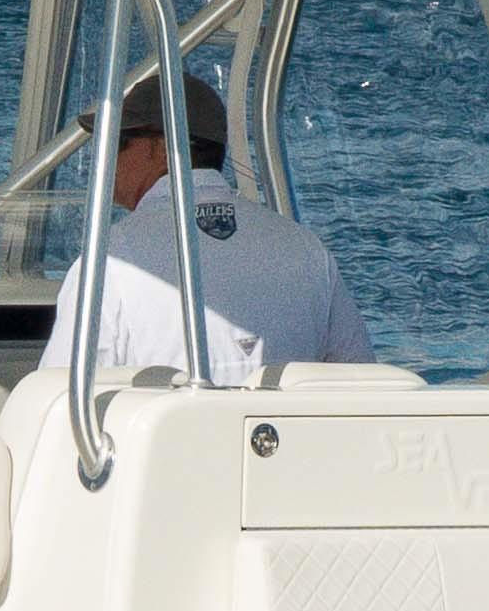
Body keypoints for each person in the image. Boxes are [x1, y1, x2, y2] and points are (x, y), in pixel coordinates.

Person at [70, 71, 369, 387]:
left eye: (117, 142)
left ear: (159, 147)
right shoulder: (306, 249)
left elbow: (60, 398)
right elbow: (358, 379)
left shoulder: (111, 259)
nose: (102, 157)